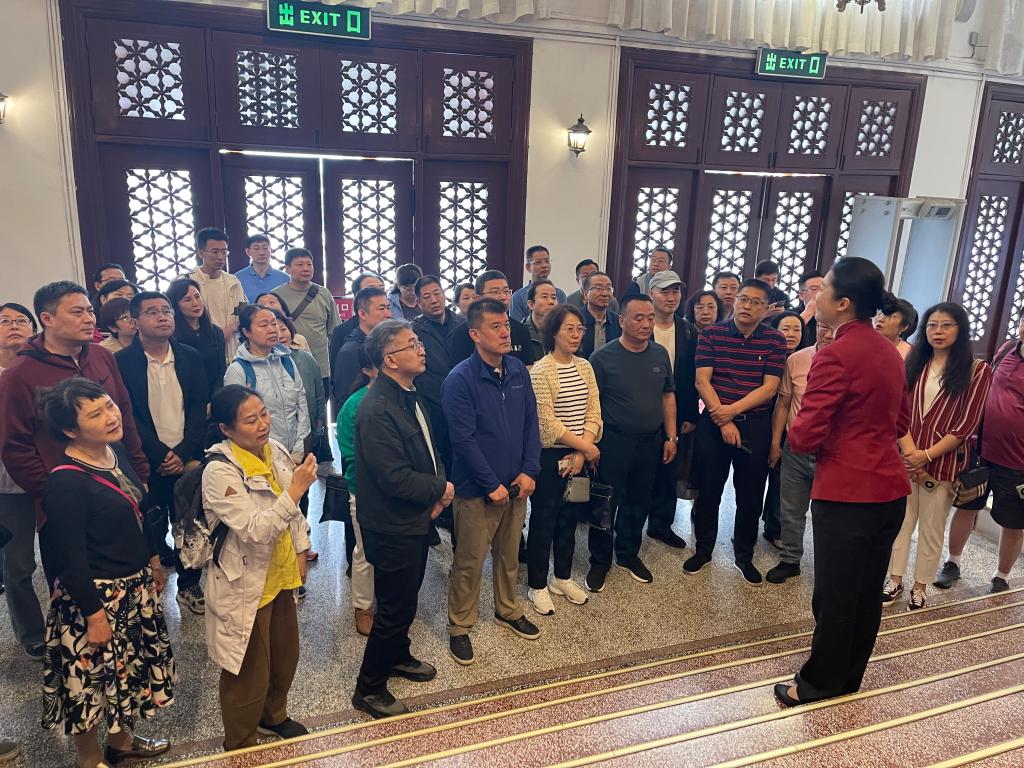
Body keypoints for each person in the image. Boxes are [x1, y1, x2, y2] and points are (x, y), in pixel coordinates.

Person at [773, 256, 910, 707]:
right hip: (889, 491)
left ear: (844, 302)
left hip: (847, 493)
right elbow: (901, 422)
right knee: (865, 593)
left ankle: (817, 683)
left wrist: (834, 440)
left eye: (824, 289)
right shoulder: (890, 352)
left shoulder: (835, 354)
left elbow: (804, 435)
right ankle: (849, 675)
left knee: (834, 594)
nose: (817, 297)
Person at [38, 378, 174, 768]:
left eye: (109, 405)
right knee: (88, 684)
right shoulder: (65, 481)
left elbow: (138, 512)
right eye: (95, 414)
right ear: (70, 429)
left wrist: (153, 561)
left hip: (132, 588)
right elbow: (69, 558)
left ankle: (121, 743)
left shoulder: (114, 452)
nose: (111, 416)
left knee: (126, 673)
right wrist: (93, 614)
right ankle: (90, 758)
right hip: (94, 597)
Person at [202, 385, 316, 750]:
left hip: (280, 573)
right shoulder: (219, 471)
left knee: (284, 656)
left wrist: (301, 548)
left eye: (264, 414)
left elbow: (292, 514)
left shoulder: (274, 450)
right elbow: (254, 529)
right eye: (250, 420)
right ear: (226, 429)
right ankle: (240, 740)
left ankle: (274, 716)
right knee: (248, 669)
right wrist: (296, 490)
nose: (263, 424)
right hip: (245, 580)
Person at [351, 320, 453, 718]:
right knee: (394, 607)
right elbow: (393, 478)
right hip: (392, 525)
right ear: (390, 360)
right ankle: (369, 687)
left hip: (415, 516)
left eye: (419, 341)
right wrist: (441, 489)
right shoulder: (377, 409)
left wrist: (438, 492)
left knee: (406, 598)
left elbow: (430, 450)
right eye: (411, 344)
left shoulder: (409, 394)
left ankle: (397, 654)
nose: (421, 348)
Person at [443, 298, 542, 665]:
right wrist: (489, 484)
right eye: (495, 327)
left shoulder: (517, 370)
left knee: (509, 554)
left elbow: (531, 423)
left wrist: (530, 471)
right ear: (475, 334)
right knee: (469, 560)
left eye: (506, 325)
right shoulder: (460, 380)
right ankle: (459, 625)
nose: (505, 333)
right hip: (476, 490)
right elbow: (463, 440)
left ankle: (507, 608)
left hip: (517, 484)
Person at [0, 282, 149, 515]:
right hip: (67, 497)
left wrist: (139, 471)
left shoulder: (102, 355)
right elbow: (15, 447)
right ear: (47, 318)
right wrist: (52, 493)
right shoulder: (20, 374)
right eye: (77, 312)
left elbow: (125, 414)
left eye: (90, 311)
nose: (89, 319)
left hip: (121, 482)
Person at [882, 303, 991, 610]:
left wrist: (926, 455)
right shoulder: (914, 362)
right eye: (932, 325)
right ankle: (895, 579)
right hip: (905, 458)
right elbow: (897, 410)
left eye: (946, 325)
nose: (938, 331)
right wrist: (911, 453)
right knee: (900, 523)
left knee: (931, 528)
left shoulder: (976, 370)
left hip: (942, 463)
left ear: (960, 329)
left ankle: (920, 586)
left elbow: (966, 425)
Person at [684, 279, 787, 586]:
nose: (746, 305)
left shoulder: (775, 339)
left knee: (751, 495)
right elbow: (702, 381)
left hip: (755, 424)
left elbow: (770, 388)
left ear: (766, 308)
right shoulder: (712, 334)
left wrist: (732, 411)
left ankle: (744, 555)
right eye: (743, 299)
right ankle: (703, 550)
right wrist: (724, 419)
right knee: (708, 491)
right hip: (714, 423)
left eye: (756, 302)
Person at [115, 291, 210, 611]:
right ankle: (150, 585)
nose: (163, 317)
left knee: (190, 524)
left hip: (187, 457)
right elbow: (127, 415)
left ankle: (189, 584)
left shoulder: (188, 356)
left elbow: (199, 407)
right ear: (135, 321)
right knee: (150, 524)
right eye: (152, 312)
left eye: (166, 311)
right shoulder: (122, 362)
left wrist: (182, 452)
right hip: (146, 460)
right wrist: (160, 454)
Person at [587, 294, 676, 591]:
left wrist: (671, 436)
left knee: (639, 500)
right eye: (638, 318)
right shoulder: (602, 358)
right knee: (605, 502)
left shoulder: (659, 354)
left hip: (651, 441)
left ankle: (627, 553)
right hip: (614, 441)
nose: (646, 324)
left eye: (650, 318)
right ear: (622, 320)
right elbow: (592, 406)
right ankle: (599, 560)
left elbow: (668, 396)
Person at [937, 317, 1024, 593]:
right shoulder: (1007, 349)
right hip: (980, 450)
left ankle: (1001, 576)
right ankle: (952, 562)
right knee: (966, 507)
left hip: (1018, 461)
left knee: (1014, 521)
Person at [527, 305, 602, 614]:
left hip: (580, 457)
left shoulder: (585, 366)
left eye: (580, 329)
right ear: (553, 332)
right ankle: (537, 585)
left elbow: (594, 411)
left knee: (569, 519)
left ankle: (562, 577)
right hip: (550, 457)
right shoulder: (541, 371)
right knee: (544, 520)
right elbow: (547, 425)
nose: (575, 334)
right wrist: (584, 448)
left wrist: (583, 451)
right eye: (569, 328)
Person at [765, 322, 835, 585]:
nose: (828, 334)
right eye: (823, 327)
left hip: (833, 453)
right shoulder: (797, 359)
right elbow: (783, 403)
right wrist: (775, 442)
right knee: (791, 508)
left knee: (828, 513)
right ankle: (790, 559)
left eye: (834, 328)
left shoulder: (853, 362)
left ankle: (829, 565)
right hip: (795, 447)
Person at [0, 302, 45, 660]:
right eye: (4, 321)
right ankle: (31, 632)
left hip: (48, 476)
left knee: (64, 555)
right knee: (18, 565)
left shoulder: (40, 371)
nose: (14, 325)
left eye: (21, 320)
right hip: (6, 486)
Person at [647, 271, 699, 549]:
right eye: (665, 291)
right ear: (651, 294)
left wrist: (689, 414)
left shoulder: (688, 330)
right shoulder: (640, 324)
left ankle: (661, 525)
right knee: (641, 470)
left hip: (675, 409)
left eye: (675, 291)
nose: (671, 297)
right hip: (643, 408)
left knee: (668, 470)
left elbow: (691, 376)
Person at [224, 306, 310, 464]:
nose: (272, 329)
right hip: (261, 458)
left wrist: (298, 451)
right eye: (263, 325)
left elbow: (302, 406)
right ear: (246, 332)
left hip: (295, 455)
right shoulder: (238, 370)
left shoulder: (287, 361)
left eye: (274, 323)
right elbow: (237, 422)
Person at [336, 347, 377, 637]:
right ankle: (363, 606)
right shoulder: (354, 405)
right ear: (368, 370)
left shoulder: (408, 396)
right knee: (365, 550)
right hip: (366, 490)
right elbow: (351, 455)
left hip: (402, 491)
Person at [761, 311, 807, 547]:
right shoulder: (766, 356)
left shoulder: (806, 359)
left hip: (789, 427)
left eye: (796, 329)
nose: (791, 334)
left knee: (780, 480)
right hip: (761, 422)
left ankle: (774, 527)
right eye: (785, 329)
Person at [272, 248, 340, 391]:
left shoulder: (324, 293)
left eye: (309, 264)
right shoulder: (276, 295)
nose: (306, 268)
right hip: (285, 365)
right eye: (299, 264)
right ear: (287, 268)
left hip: (320, 367)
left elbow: (334, 332)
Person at [450, 271, 536, 367]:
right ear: (478, 298)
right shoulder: (462, 333)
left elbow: (528, 367)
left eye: (506, 291)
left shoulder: (521, 330)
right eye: (495, 292)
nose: (503, 297)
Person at [187, 227, 247, 364]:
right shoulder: (187, 281)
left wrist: (230, 329)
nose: (220, 257)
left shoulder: (233, 282)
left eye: (224, 252)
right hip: (199, 350)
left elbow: (242, 312)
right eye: (215, 252)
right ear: (200, 253)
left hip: (231, 349)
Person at [166, 278, 227, 398]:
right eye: (187, 299)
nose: (195, 303)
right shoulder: (172, 337)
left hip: (215, 398)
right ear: (175, 305)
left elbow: (221, 370)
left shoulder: (215, 332)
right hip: (185, 398)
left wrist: (215, 399)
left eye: (197, 297)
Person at [333, 286, 392, 408]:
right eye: (381, 309)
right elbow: (345, 400)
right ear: (362, 314)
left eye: (388, 308)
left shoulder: (387, 343)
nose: (388, 314)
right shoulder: (350, 352)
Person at [329, 273, 385, 367]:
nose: (378, 293)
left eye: (382, 289)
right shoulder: (342, 331)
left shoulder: (394, 327)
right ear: (357, 296)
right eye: (371, 290)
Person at [511, 246, 566, 322]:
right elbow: (516, 326)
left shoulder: (559, 294)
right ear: (528, 267)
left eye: (547, 261)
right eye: (538, 262)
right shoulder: (518, 297)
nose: (544, 265)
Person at [579, 271, 621, 359]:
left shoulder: (618, 321)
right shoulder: (576, 319)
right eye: (598, 288)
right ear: (586, 294)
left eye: (608, 288)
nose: (605, 293)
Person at [235, 234, 289, 302]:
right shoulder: (237, 278)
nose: (261, 253)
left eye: (265, 248)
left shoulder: (284, 278)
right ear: (248, 252)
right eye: (256, 248)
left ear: (271, 250)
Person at [523, 278, 559, 361]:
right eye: (544, 297)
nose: (551, 302)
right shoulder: (521, 333)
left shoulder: (562, 330)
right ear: (531, 304)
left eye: (553, 297)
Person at [874, 293, 919, 359]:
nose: (880, 319)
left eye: (891, 316)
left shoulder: (911, 355)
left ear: (904, 327)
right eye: (880, 314)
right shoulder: (863, 343)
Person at [796, 270, 825, 348]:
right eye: (815, 289)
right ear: (801, 295)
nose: (820, 293)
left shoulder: (833, 315)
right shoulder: (790, 314)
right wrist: (809, 312)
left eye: (823, 289)